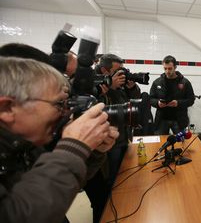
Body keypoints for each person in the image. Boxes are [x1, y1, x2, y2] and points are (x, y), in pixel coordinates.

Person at [0, 57, 118, 223]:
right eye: (59, 104)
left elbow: (67, 185)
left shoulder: (25, 146)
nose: (66, 112)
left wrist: (94, 151)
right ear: (7, 108)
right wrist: (72, 148)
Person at [85, 53, 141, 223]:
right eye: (117, 71)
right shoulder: (93, 84)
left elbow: (130, 105)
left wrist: (130, 87)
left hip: (123, 137)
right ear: (104, 70)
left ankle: (119, 212)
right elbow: (94, 113)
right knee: (108, 187)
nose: (121, 75)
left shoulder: (118, 83)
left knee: (122, 180)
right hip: (106, 145)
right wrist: (109, 89)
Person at [150, 55, 195, 134]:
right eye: (165, 68)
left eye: (170, 68)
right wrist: (158, 103)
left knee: (181, 143)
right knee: (160, 144)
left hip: (179, 120)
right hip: (161, 120)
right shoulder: (157, 82)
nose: (167, 71)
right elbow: (151, 99)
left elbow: (191, 100)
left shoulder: (185, 82)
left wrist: (178, 103)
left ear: (175, 67)